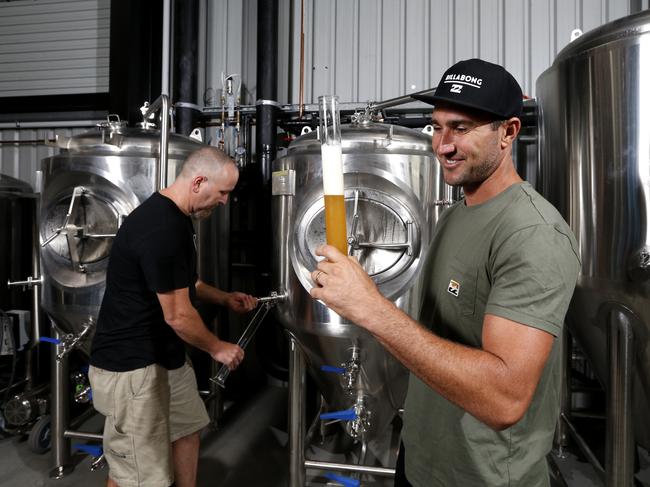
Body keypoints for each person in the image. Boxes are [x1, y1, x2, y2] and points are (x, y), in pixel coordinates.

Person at [310, 58, 580, 487]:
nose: (443, 145)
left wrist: (371, 310)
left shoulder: (533, 235)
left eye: (462, 128)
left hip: (481, 477)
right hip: (420, 460)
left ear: (509, 132)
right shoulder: (457, 215)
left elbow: (505, 399)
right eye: (437, 127)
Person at [89, 146, 257, 487]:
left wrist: (224, 298)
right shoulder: (161, 228)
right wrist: (216, 347)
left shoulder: (177, 218)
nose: (225, 202)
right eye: (223, 192)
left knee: (188, 429)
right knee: (137, 474)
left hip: (164, 357)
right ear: (198, 182)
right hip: (132, 367)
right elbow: (178, 316)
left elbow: (184, 283)